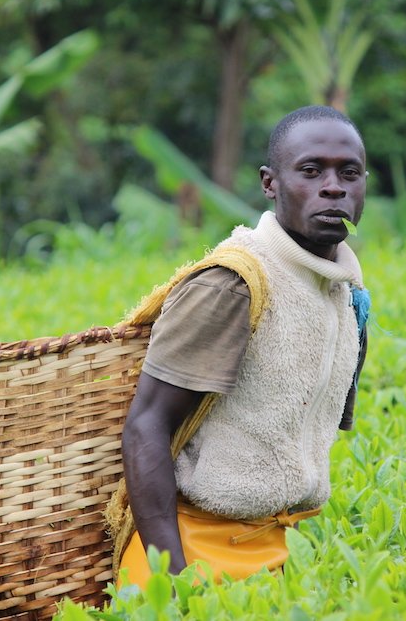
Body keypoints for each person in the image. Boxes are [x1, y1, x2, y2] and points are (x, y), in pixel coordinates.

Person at [115, 105, 369, 586]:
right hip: (199, 549)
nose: (334, 187)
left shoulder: (346, 294)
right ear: (270, 183)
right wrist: (172, 581)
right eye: (311, 171)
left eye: (349, 173)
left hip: (289, 550)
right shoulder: (233, 284)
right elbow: (146, 426)